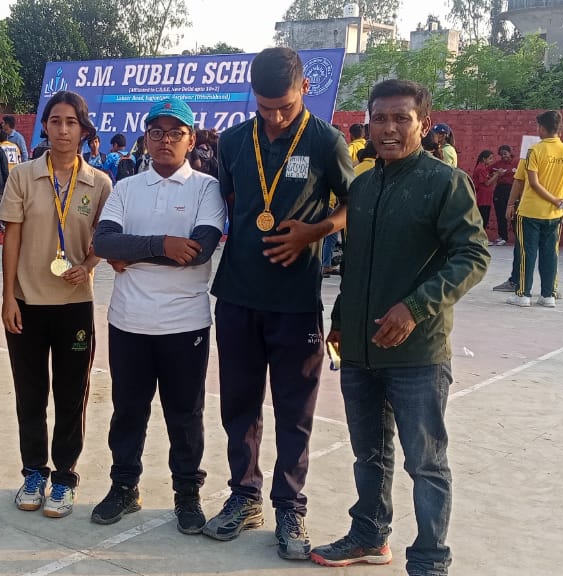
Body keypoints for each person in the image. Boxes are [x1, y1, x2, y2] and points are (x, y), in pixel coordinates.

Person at [313, 78, 488, 575]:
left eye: (401, 118)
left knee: (425, 462)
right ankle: (369, 536)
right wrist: (340, 324)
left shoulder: (446, 183)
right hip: (360, 349)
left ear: (423, 125)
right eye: (380, 118)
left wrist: (414, 307)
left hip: (417, 353)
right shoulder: (364, 185)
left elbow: (472, 256)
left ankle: (431, 559)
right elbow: (355, 265)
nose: (388, 128)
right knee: (368, 454)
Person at [204, 47, 354, 560]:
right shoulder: (231, 142)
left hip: (295, 300)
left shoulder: (327, 141)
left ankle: (290, 506)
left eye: (284, 107)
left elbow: (353, 204)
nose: (274, 117)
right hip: (237, 294)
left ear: (305, 90)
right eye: (264, 107)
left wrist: (316, 230)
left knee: (295, 409)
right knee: (238, 404)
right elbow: (229, 203)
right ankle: (244, 496)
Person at [89, 97, 224, 534]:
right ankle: (124, 486)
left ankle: (187, 494)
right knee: (128, 411)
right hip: (128, 320)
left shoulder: (205, 188)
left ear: (191, 139)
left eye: (175, 133)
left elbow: (199, 250)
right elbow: (104, 243)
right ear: (146, 138)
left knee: (185, 415)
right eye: (157, 133)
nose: (165, 140)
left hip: (184, 324)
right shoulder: (127, 188)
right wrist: (163, 244)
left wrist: (134, 251)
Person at [0, 90, 112, 519]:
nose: (63, 129)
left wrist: (89, 264)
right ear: (45, 126)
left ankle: (64, 477)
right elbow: (11, 238)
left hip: (74, 305)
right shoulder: (23, 176)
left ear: (83, 130)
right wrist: (8, 297)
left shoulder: (99, 183)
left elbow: (107, 235)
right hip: (27, 302)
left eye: (71, 122)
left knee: (70, 396)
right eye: (56, 121)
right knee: (30, 395)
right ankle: (33, 472)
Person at [505, 111, 563, 308]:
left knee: (527, 253)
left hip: (531, 210)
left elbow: (532, 183)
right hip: (556, 212)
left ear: (542, 128)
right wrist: (557, 199)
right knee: (550, 252)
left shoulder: (534, 150)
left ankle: (523, 294)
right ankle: (548, 295)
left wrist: (510, 204)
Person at [490, 145, 517, 246]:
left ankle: (518, 237)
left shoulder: (517, 163)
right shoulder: (498, 164)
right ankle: (503, 236)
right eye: (501, 154)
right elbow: (487, 171)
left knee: (514, 214)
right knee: (500, 214)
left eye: (505, 153)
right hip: (500, 189)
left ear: (510, 152)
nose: (503, 156)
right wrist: (496, 174)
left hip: (513, 190)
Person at [471, 150, 500, 242]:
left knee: (484, 217)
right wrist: (497, 174)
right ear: (484, 159)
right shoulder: (481, 169)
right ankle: (480, 238)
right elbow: (487, 183)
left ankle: (481, 238)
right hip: (482, 197)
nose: (492, 160)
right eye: (490, 158)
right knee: (483, 218)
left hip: (485, 197)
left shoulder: (483, 168)